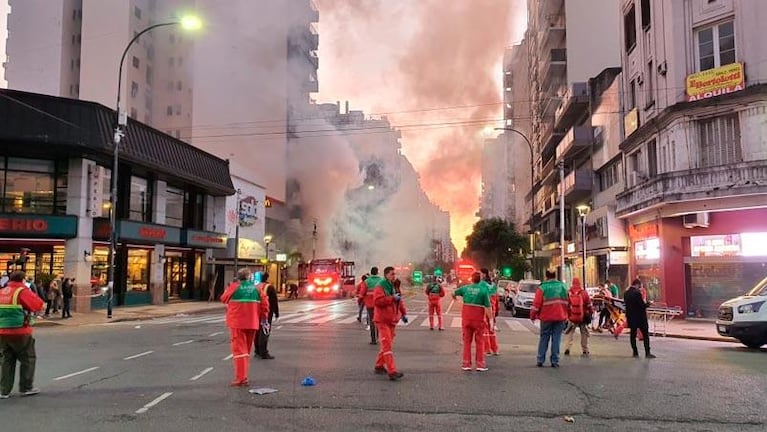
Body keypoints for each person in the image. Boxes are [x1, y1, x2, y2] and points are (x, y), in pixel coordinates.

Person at [221, 268, 269, 387]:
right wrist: (264, 318)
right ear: (249, 277)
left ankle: (241, 378)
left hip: (237, 323)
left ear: (238, 277)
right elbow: (265, 305)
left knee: (239, 351)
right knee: (246, 350)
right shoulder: (257, 289)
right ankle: (244, 376)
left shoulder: (234, 287)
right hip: (252, 322)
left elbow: (223, 298)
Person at [1, 271, 45, 399]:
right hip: (19, 331)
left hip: (2, 331)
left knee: (6, 360)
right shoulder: (21, 291)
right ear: (22, 280)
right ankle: (26, 387)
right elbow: (38, 305)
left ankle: (4, 390)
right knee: (28, 358)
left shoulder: (3, 291)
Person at [372, 266, 407, 381]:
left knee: (388, 344)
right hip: (382, 319)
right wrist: (392, 298)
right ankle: (392, 371)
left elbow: (399, 301)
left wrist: (404, 313)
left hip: (391, 319)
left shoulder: (393, 286)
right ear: (386, 275)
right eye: (392, 274)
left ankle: (379, 365)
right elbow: (377, 301)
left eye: (394, 274)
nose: (394, 276)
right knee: (387, 345)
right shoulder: (380, 286)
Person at [453, 272, 492, 371]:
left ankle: (466, 364)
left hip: (466, 318)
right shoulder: (483, 290)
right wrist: (491, 320)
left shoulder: (465, 288)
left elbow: (453, 293)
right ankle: (480, 364)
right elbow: (488, 307)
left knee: (467, 342)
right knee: (479, 342)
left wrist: (455, 300)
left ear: (472, 279)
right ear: (480, 280)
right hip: (478, 319)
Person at [530, 269, 568, 368]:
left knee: (544, 337)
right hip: (560, 317)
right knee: (557, 338)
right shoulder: (563, 286)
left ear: (546, 276)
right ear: (555, 276)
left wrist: (533, 316)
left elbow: (536, 304)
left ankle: (540, 359)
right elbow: (569, 302)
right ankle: (555, 361)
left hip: (546, 317)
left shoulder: (543, 288)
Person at [625, 278, 656, 359]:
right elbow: (642, 306)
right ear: (637, 284)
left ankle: (635, 352)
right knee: (645, 335)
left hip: (631, 318)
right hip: (640, 318)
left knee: (633, 335)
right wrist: (649, 303)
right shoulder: (637, 293)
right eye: (640, 286)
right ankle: (647, 353)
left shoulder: (626, 293)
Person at [563, 277, 593, 357]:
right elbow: (589, 305)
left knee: (570, 332)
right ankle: (585, 350)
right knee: (584, 333)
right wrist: (591, 312)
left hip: (572, 316)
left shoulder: (569, 292)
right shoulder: (584, 293)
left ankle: (567, 348)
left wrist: (567, 315)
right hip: (582, 316)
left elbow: (566, 304)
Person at [254, 273, 279, 360]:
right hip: (266, 312)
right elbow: (274, 301)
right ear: (267, 278)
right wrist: (276, 313)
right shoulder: (269, 287)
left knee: (257, 332)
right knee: (264, 332)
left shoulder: (256, 286)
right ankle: (263, 352)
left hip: (256, 312)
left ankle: (257, 351)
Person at [480, 268, 499, 356]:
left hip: (485, 308)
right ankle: (495, 349)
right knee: (491, 329)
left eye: (480, 274)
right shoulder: (493, 285)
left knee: (485, 329)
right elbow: (497, 299)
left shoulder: (482, 284)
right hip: (493, 308)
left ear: (483, 274)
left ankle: (487, 349)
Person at [364, 267, 383, 345]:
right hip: (379, 303)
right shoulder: (381, 281)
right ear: (377, 272)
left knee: (372, 321)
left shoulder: (367, 281)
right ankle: (377, 337)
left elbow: (362, 292)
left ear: (371, 273)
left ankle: (373, 339)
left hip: (369, 304)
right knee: (377, 320)